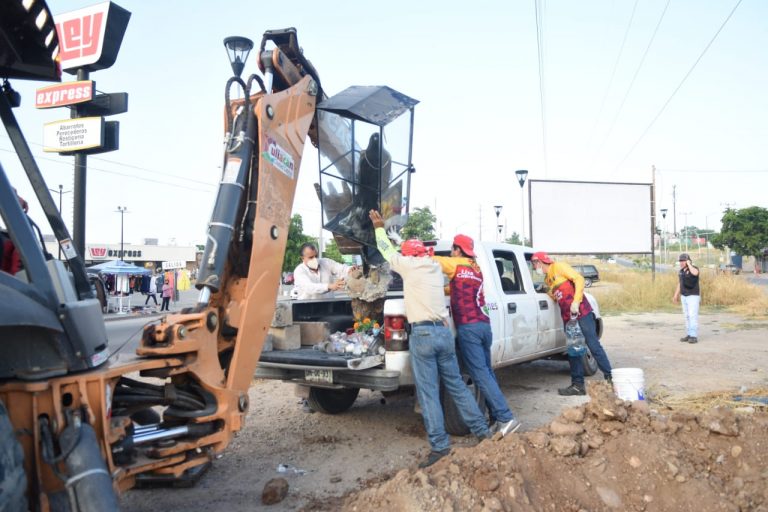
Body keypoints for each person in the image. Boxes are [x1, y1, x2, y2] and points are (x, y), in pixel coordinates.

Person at [369, 210, 491, 468]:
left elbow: (386, 251)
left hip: (423, 335)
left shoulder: (408, 266)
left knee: (428, 394)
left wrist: (379, 228)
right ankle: (483, 432)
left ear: (408, 255)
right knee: (456, 385)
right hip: (443, 333)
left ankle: (439, 447)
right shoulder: (436, 268)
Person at [432, 234, 520, 436]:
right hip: (484, 326)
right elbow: (458, 288)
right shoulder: (476, 268)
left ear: (456, 250)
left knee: (480, 375)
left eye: (452, 250)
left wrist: (421, 252)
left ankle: (506, 418)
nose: (451, 253)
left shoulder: (455, 264)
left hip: (469, 328)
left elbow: (433, 261)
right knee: (487, 373)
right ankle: (498, 419)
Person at [530, 252, 612, 396]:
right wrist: (546, 290)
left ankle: (611, 379)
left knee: (593, 345)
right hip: (569, 318)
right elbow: (557, 297)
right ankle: (577, 385)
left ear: (541, 262)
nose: (534, 267)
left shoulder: (559, 267)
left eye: (534, 264)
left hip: (582, 313)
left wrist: (576, 301)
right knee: (574, 351)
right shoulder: (548, 279)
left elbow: (579, 279)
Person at [673, 253, 700, 343]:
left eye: (683, 260)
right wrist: (676, 295)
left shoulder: (694, 268)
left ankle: (693, 336)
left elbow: (695, 273)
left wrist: (689, 264)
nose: (681, 262)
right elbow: (679, 283)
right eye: (680, 261)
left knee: (692, 315)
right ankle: (689, 334)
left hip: (692, 295)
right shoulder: (681, 271)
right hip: (684, 295)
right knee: (687, 316)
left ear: (688, 261)